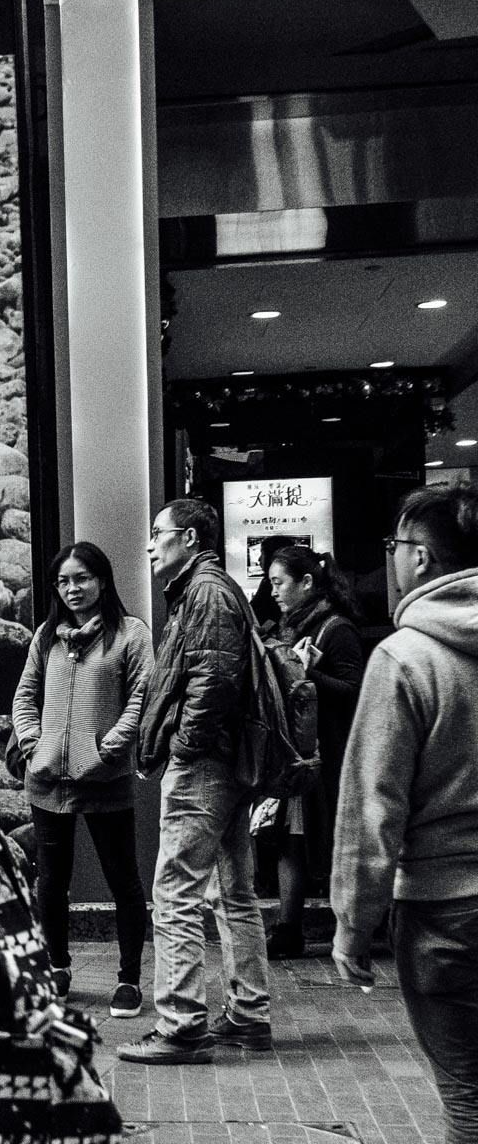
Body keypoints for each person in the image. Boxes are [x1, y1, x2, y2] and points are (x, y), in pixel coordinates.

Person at [332, 483, 478, 1144]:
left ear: (419, 557)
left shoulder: (405, 659)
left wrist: (353, 926)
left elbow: (373, 808)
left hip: (446, 911)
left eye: (393, 544)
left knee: (468, 1096)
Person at [119, 498, 273, 1065]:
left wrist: (184, 749)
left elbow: (214, 679)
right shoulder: (210, 588)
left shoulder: (204, 591)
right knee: (233, 891)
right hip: (226, 761)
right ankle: (249, 1015)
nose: (149, 544)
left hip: (205, 763)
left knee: (175, 891)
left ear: (188, 538)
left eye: (158, 532)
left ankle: (182, 1025)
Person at [9, 541, 154, 1019]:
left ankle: (129, 979)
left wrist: (108, 749)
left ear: (102, 580)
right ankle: (57, 967)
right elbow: (25, 695)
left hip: (106, 779)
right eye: (63, 581)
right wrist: (33, 744)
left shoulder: (130, 633)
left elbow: (142, 697)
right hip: (48, 781)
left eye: (82, 578)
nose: (72, 589)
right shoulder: (46, 636)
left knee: (123, 881)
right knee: (51, 882)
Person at [258, 544, 364, 960]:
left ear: (306, 582)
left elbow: (353, 690)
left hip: (329, 755)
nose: (274, 592)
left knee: (329, 842)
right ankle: (288, 928)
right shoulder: (289, 627)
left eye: (279, 583)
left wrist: (305, 673)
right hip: (296, 753)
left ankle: (349, 928)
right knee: (289, 839)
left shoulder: (336, 629)